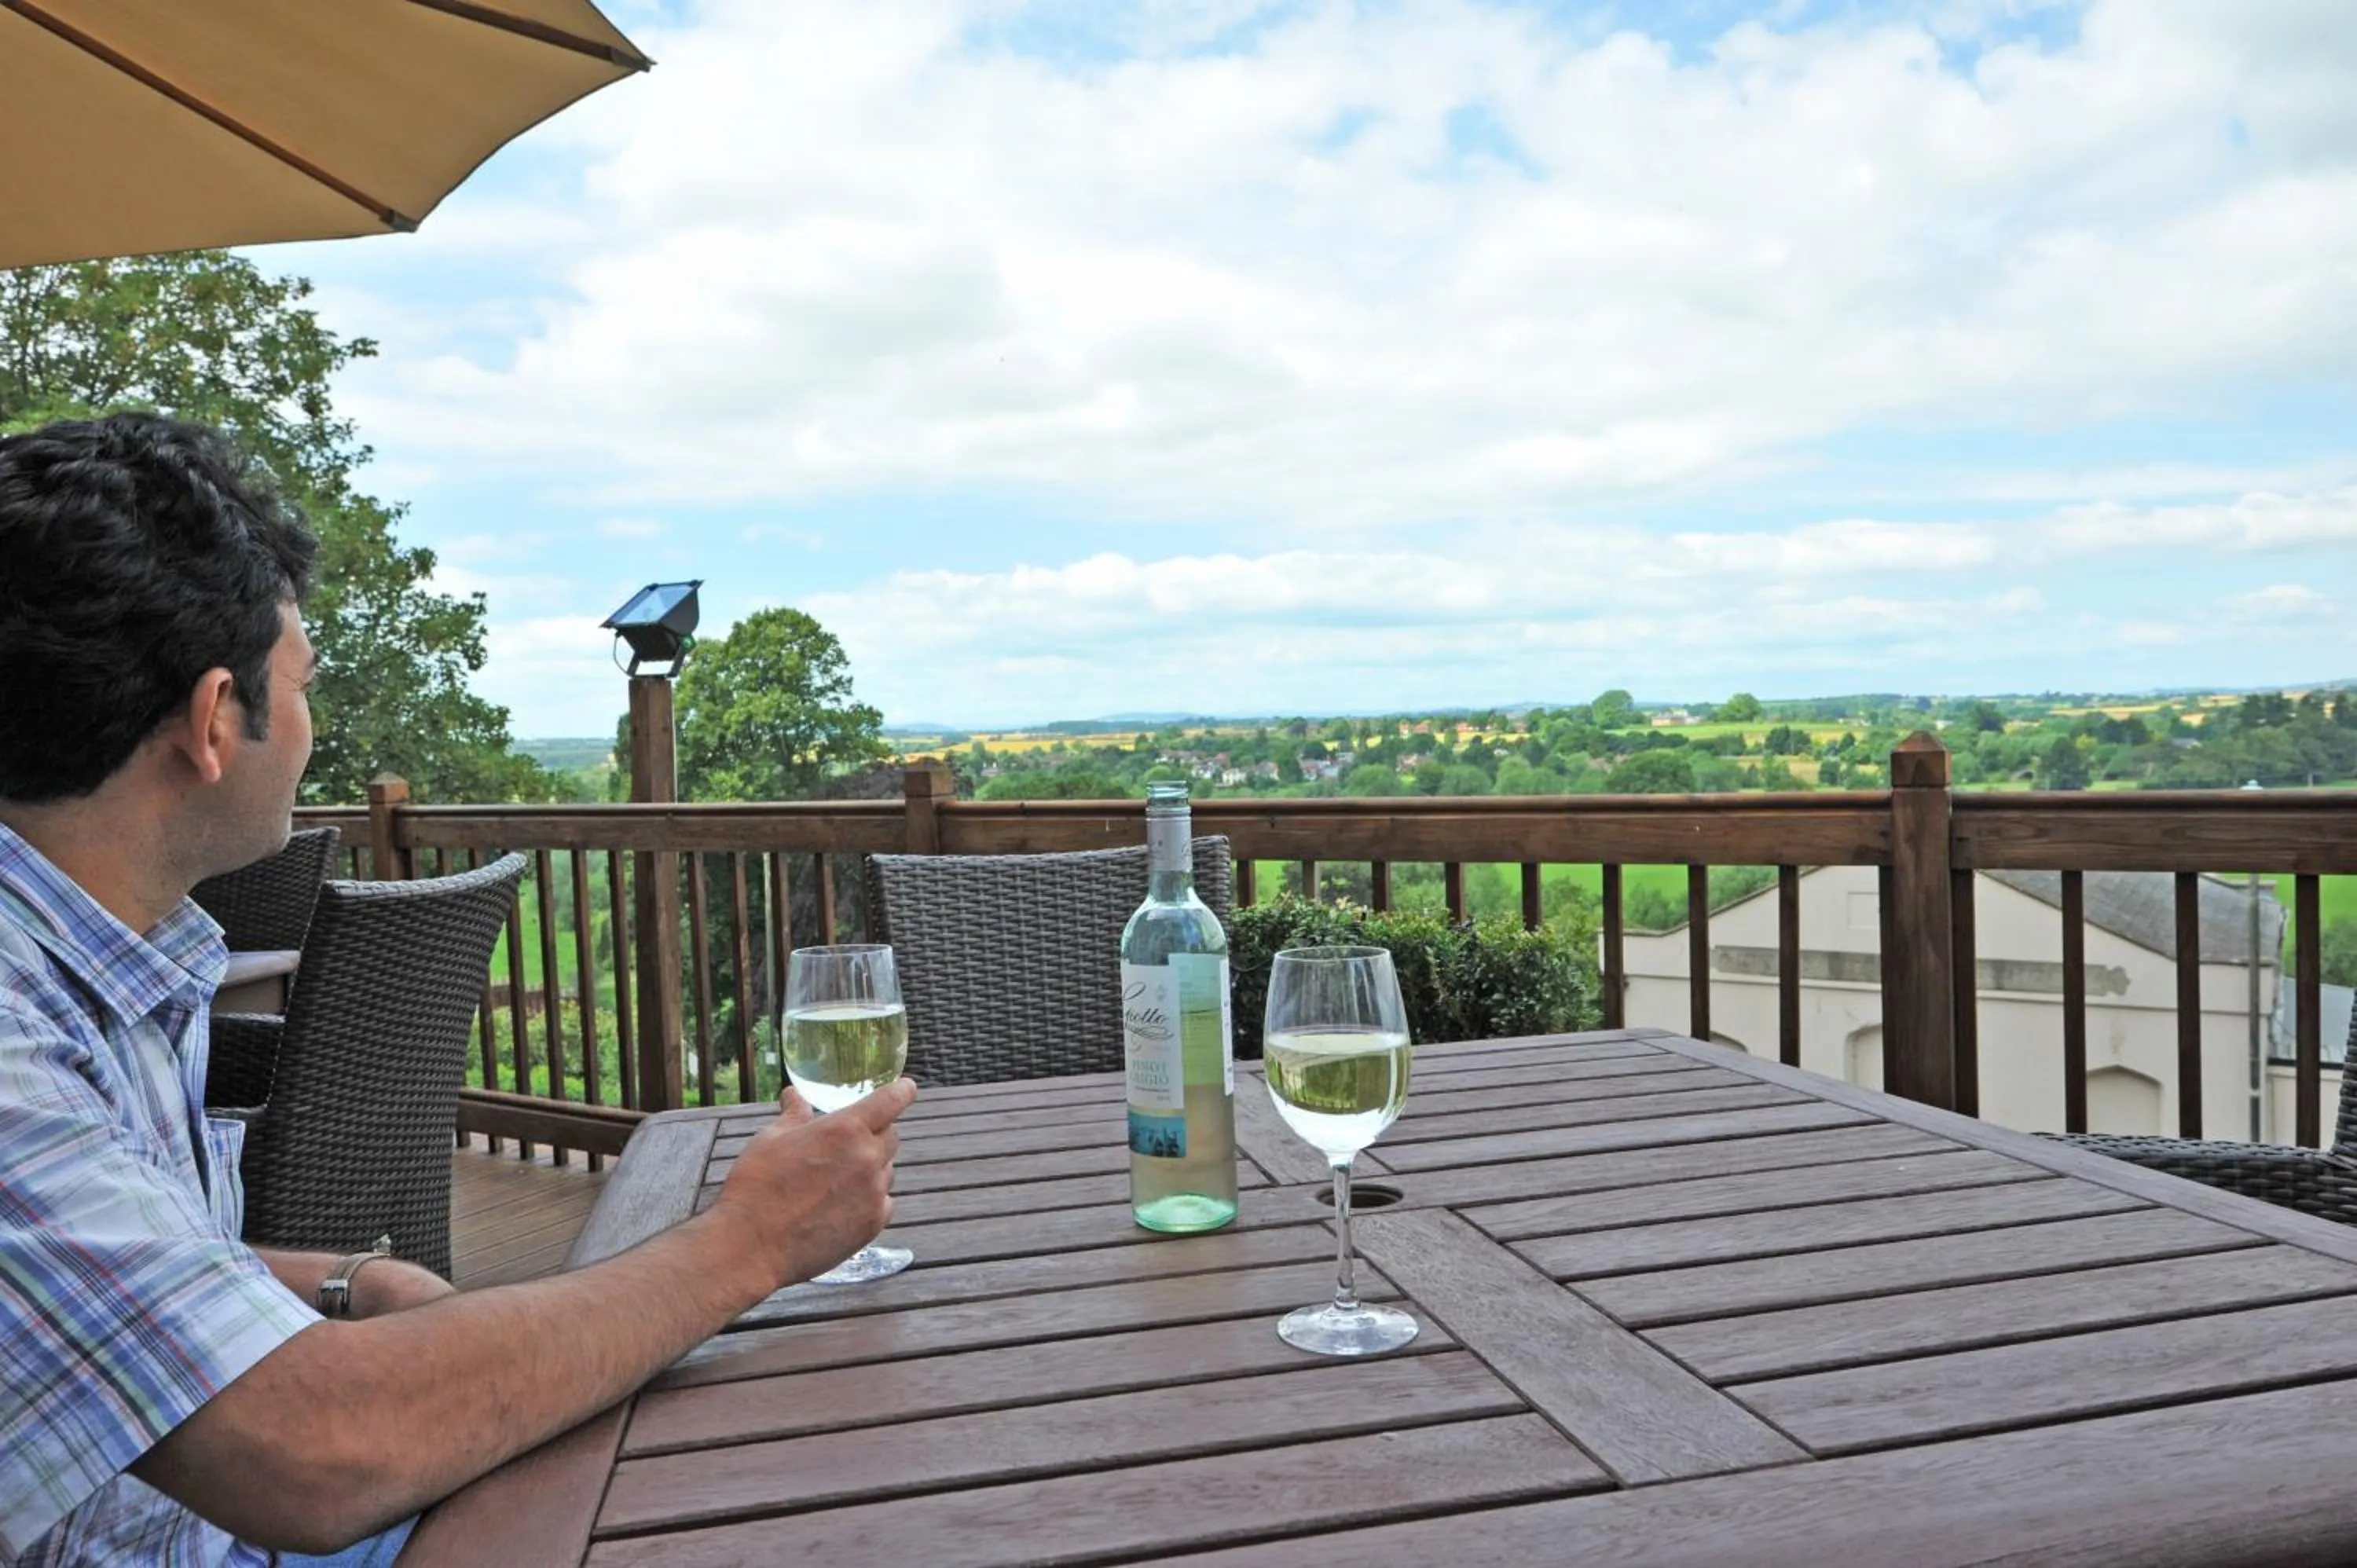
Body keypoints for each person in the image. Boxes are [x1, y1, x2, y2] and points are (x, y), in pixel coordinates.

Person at [0, 413, 916, 1567]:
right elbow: (312, 1449)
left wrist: (341, 1284)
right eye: (301, 686)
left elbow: (98, 1281)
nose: (310, 726)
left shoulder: (96, 958)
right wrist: (752, 1243)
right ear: (212, 722)